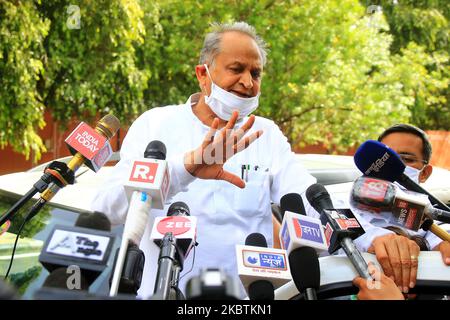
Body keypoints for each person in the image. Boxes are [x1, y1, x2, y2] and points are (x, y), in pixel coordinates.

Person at [91, 21, 317, 299]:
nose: (247, 82)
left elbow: (310, 198)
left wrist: (370, 237)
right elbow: (105, 210)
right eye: (237, 69)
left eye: (255, 73)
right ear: (203, 74)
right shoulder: (156, 124)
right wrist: (186, 168)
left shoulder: (266, 134)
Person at [350, 124, 450, 295]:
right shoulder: (350, 215)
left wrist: (441, 241)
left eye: (406, 159)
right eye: (386, 159)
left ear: (425, 173)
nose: (391, 168)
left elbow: (439, 231)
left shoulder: (430, 219)